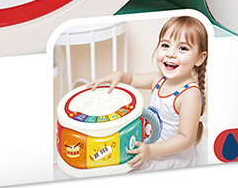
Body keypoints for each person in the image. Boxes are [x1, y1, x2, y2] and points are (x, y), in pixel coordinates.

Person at [88, 16, 208, 170]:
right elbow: (131, 79)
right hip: (150, 148)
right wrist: (119, 75)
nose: (171, 54)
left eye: (182, 48)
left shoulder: (190, 95)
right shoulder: (158, 78)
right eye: (165, 45)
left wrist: (150, 150)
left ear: (199, 58)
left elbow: (185, 139)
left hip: (172, 159)